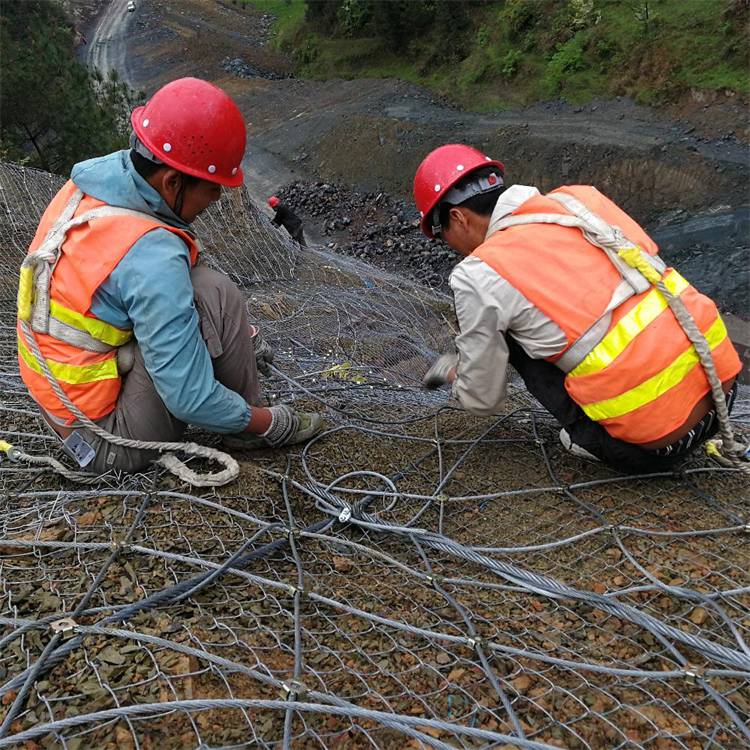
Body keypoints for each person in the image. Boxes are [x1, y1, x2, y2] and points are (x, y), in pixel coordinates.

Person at [16, 77, 322, 475]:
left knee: (202, 294)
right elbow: (189, 398)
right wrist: (274, 423)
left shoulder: (95, 184)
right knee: (215, 292)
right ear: (172, 181)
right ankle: (248, 432)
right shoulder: (152, 253)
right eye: (212, 191)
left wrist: (238, 336)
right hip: (108, 441)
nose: (215, 201)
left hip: (61, 407)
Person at [414, 144, 741, 473]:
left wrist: (457, 373)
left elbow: (482, 400)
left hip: (655, 448)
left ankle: (587, 437)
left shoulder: (480, 273)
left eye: (441, 234)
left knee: (510, 335)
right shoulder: (580, 199)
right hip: (723, 392)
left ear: (457, 217)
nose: (449, 246)